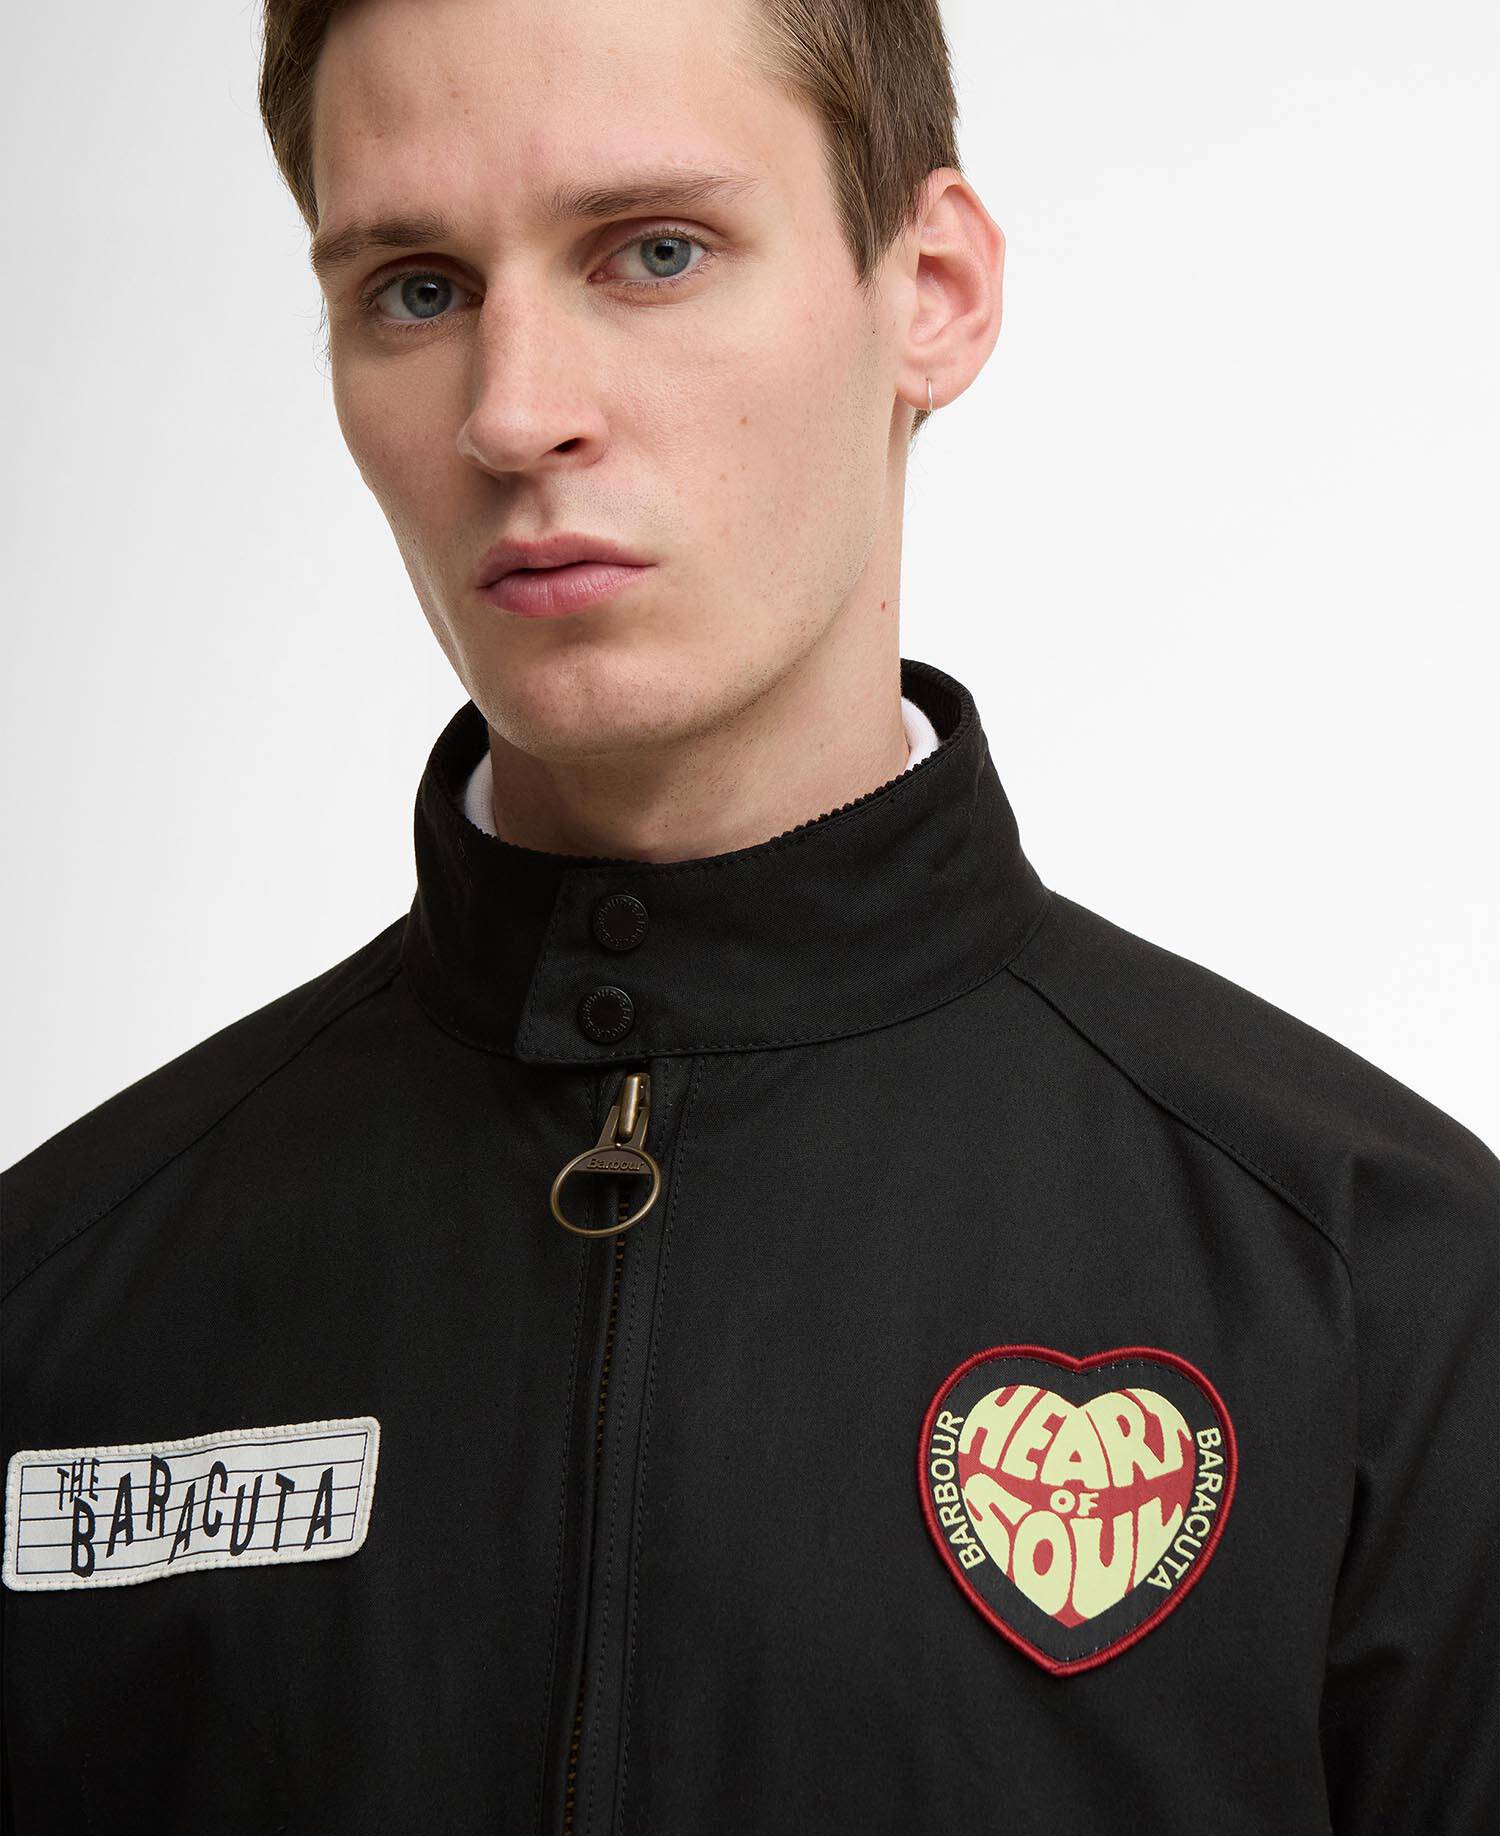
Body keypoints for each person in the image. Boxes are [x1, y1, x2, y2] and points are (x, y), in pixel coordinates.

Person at [2, 0, 1495, 1830]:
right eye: (415, 288)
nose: (511, 411)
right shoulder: (56, 1308)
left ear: (930, 290)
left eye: (654, 251)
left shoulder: (1389, 1293)